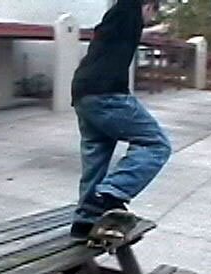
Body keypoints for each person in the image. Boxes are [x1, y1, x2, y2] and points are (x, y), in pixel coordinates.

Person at [69, 0, 172, 239]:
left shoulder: (118, 24)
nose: (150, 20)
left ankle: (85, 221)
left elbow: (138, 32)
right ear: (148, 6)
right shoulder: (128, 9)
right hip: (108, 94)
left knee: (96, 157)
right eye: (153, 14)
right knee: (156, 145)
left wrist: (155, 31)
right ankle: (109, 195)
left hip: (84, 94)